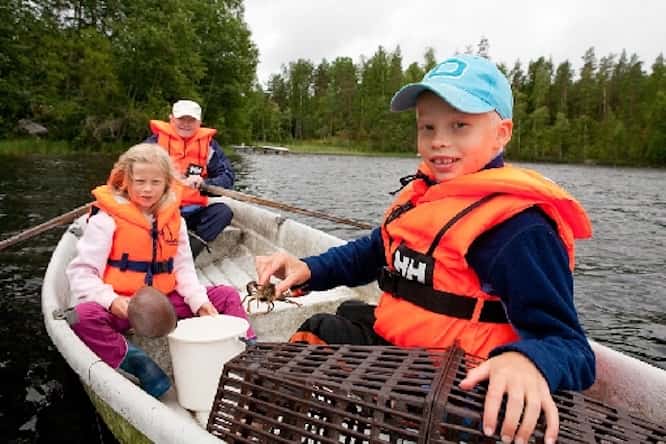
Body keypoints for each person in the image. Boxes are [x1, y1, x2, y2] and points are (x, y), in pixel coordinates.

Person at [254, 55, 595, 444]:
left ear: (501, 133)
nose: (439, 141)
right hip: (407, 356)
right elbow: (371, 253)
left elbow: (571, 348)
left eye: (459, 126)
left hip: (459, 386)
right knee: (335, 321)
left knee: (323, 332)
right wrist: (308, 269)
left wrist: (528, 361)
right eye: (427, 127)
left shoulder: (519, 230)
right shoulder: (426, 196)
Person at [66, 143, 255, 398]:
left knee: (227, 296)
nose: (147, 189)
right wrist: (112, 301)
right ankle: (141, 366)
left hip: (165, 303)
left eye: (155, 182)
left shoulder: (174, 221)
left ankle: (250, 357)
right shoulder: (106, 220)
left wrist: (199, 302)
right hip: (125, 305)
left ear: (167, 184)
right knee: (82, 316)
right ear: (126, 181)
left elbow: (184, 269)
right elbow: (82, 273)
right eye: (140, 181)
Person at [146, 99, 235, 257]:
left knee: (223, 213)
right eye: (181, 119)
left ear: (199, 122)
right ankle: (158, 250)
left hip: (192, 211)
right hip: (161, 209)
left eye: (191, 120)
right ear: (171, 119)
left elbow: (227, 177)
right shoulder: (154, 144)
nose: (186, 124)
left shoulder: (210, 147)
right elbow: (134, 173)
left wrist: (205, 183)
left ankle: (188, 254)